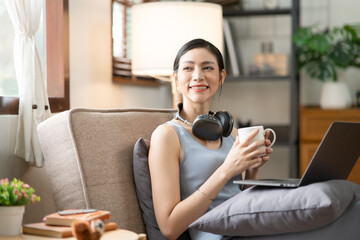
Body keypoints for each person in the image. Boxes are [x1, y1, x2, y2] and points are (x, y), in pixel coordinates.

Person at [148, 38, 273, 240]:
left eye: (207, 68)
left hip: (247, 228)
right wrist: (226, 170)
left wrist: (252, 171)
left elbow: (241, 202)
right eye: (188, 68)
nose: (198, 76)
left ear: (221, 76)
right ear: (176, 78)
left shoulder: (231, 133)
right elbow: (169, 227)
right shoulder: (167, 136)